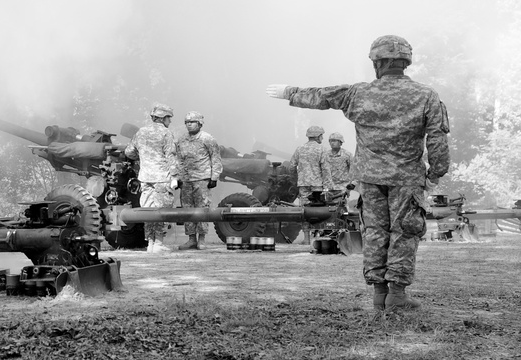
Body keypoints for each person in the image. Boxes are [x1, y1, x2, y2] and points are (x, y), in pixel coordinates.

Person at [266, 35, 450, 311]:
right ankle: (397, 296)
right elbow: (437, 138)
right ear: (405, 63)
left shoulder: (359, 93)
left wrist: (289, 92)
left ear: (378, 63)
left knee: (374, 232)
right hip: (407, 179)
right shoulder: (426, 95)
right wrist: (436, 172)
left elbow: (323, 96)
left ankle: (379, 293)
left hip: (370, 180)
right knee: (404, 232)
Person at [125, 103, 177, 253]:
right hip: (162, 178)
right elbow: (171, 156)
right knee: (162, 210)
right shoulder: (166, 133)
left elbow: (129, 152)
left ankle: (150, 244)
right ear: (162, 118)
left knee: (148, 211)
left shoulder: (141, 132)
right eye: (169, 118)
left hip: (145, 177)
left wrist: (143, 157)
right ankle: (159, 243)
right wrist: (175, 176)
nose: (170, 121)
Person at [173, 111, 223, 250]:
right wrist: (177, 177)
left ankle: (201, 239)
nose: (189, 125)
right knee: (187, 210)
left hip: (202, 179)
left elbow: (215, 158)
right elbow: (178, 160)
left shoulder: (208, 139)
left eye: (192, 122)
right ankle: (191, 239)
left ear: (200, 124)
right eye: (187, 122)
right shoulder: (181, 140)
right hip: (186, 180)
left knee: (202, 209)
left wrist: (214, 177)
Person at [290, 125, 334, 205]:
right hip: (317, 186)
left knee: (304, 208)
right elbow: (326, 170)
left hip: (303, 185)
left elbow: (292, 166)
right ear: (317, 136)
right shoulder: (322, 149)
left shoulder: (299, 149)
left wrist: (297, 180)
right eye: (321, 136)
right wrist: (327, 188)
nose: (322, 138)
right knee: (317, 208)